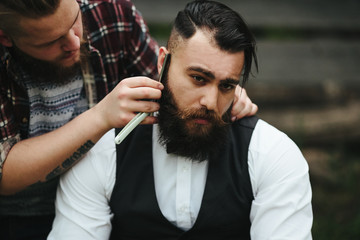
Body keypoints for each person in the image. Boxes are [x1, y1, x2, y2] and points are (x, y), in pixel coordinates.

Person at [48, 1, 313, 239]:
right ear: (162, 62)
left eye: (226, 86)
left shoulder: (272, 154)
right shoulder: (103, 152)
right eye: (199, 78)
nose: (210, 102)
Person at [0, 0, 257, 239]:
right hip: (18, 217)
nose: (74, 42)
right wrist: (100, 117)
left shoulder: (111, 12)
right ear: (5, 37)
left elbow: (168, 75)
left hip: (107, 202)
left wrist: (219, 87)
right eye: (51, 42)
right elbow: (4, 174)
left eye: (74, 22)